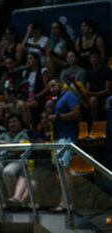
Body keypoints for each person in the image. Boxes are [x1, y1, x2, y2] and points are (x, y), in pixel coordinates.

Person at [47, 78, 80, 212]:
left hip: (67, 137)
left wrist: (58, 117)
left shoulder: (69, 95)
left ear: (61, 84)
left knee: (64, 169)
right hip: (58, 137)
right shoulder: (57, 99)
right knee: (60, 170)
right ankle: (64, 201)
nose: (52, 89)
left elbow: (76, 113)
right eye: (50, 87)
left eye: (54, 86)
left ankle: (66, 203)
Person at [84, 49, 112, 121]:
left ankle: (95, 123)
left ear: (100, 58)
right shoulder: (88, 73)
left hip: (105, 98)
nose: (93, 60)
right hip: (92, 97)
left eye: (95, 57)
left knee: (93, 100)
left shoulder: (107, 71)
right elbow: (88, 90)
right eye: (91, 58)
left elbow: (107, 91)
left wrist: (92, 94)